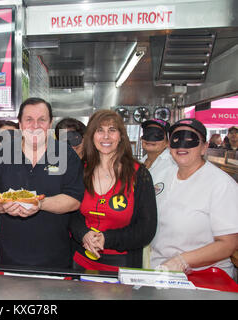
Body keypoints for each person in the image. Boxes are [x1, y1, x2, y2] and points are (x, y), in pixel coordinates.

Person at [0, 97, 85, 268]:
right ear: (20, 123)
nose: (35, 126)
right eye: (29, 120)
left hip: (55, 258)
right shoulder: (1, 153)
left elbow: (74, 199)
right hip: (9, 257)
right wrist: (3, 205)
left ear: (50, 123)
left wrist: (39, 203)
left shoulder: (67, 155)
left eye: (42, 120)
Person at [69, 109, 157, 272]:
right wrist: (84, 233)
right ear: (91, 136)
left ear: (121, 136)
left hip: (122, 264)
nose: (106, 136)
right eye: (99, 130)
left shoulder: (139, 174)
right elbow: (72, 214)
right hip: (80, 262)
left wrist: (106, 239)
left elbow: (146, 229)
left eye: (112, 130)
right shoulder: (81, 170)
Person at [150, 118, 238, 279]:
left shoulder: (221, 185)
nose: (182, 146)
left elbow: (228, 244)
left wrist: (182, 260)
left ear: (204, 147)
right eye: (176, 140)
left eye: (191, 140)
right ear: (169, 146)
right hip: (159, 272)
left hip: (205, 277)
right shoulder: (160, 176)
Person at [139, 118, 177, 268]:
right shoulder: (141, 163)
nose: (150, 138)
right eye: (147, 134)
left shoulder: (173, 165)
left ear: (167, 141)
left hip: (164, 241)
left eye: (157, 135)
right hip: (145, 236)